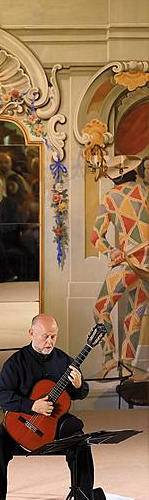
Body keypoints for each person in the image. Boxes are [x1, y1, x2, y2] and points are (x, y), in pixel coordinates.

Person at [0, 314, 98, 500]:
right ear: (31, 333)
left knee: (81, 443)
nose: (50, 342)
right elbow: (0, 394)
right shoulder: (16, 363)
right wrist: (31, 405)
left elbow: (81, 393)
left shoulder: (64, 360)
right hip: (22, 422)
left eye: (54, 337)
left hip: (55, 422)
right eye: (45, 336)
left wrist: (80, 385)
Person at [91, 155, 148, 376]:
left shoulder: (111, 196)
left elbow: (96, 237)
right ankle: (127, 366)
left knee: (100, 310)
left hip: (128, 264)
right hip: (144, 268)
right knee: (134, 315)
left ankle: (109, 359)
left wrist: (112, 250)